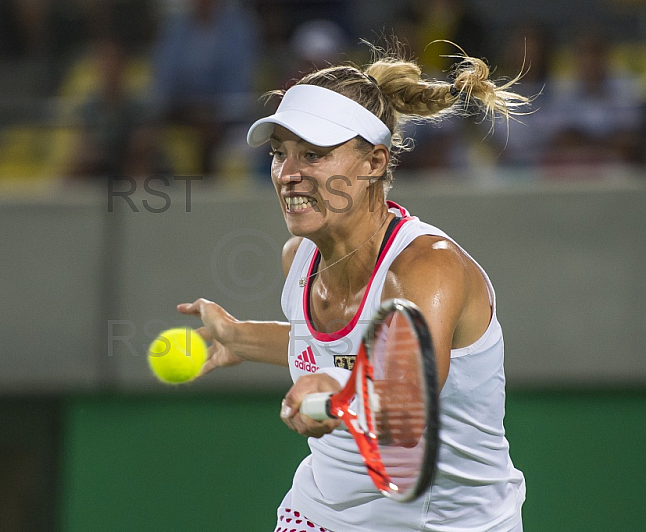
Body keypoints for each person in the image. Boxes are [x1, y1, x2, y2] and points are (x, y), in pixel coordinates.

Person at [178, 45, 528, 531]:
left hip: (449, 523)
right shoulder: (298, 258)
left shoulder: (428, 269)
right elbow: (334, 349)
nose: (288, 173)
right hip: (322, 510)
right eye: (281, 153)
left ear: (374, 163)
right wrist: (240, 337)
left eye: (314, 154)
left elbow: (408, 398)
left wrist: (337, 395)